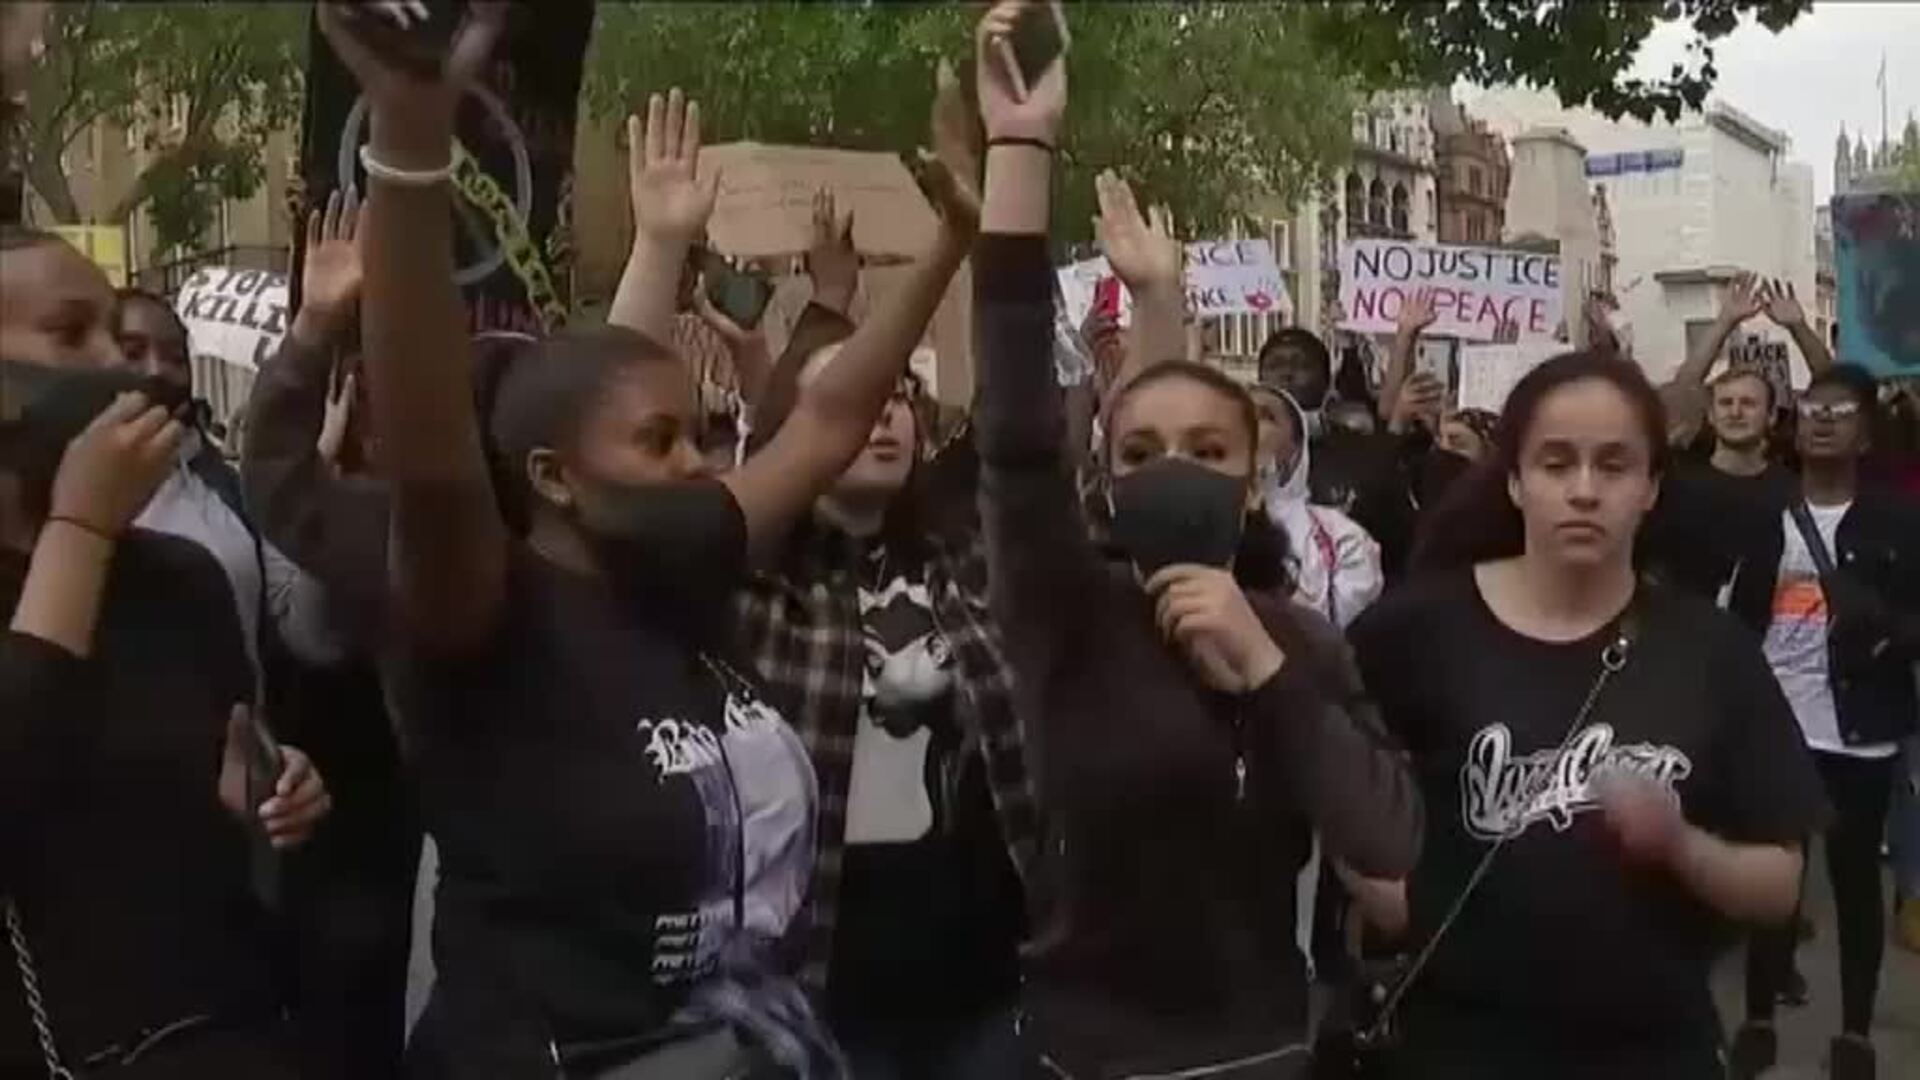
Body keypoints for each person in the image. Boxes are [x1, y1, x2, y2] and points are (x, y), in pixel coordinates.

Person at [322, 1, 968, 1072]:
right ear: (552, 480)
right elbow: (430, 442)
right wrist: (410, 141)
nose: (697, 463)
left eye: (700, 434)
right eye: (660, 443)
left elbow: (824, 420)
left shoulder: (684, 557)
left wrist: (953, 241)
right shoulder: (480, 601)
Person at [969, 5, 1419, 1075]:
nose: (1173, 468)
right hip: (1085, 1052)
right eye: (1142, 451)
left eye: (1207, 449)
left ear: (1254, 475)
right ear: (1106, 476)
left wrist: (1265, 669)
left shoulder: (1301, 640)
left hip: (1255, 1051)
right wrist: (1020, 152)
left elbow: (1389, 850)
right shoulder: (1069, 616)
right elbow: (1016, 421)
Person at [1345, 350, 1826, 1078]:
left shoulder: (1710, 650)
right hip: (1454, 1043)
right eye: (1556, 463)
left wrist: (1683, 847)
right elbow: (1327, 765)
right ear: (1515, 480)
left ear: (1651, 487)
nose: (1584, 490)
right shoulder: (1417, 629)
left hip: (1652, 1047)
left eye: (1614, 465)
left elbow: (1779, 885)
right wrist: (1387, 895)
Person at [724, 63, 1033, 1080]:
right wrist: (830, 302)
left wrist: (991, 225)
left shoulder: (960, 560)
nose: (885, 412)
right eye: (861, 399)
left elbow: (1024, 421)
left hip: (980, 979)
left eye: (901, 394)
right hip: (815, 980)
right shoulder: (753, 582)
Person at [1, 371, 328, 1078]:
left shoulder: (180, 574)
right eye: (70, 334)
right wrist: (77, 531)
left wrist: (269, 789)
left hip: (222, 1026)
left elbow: (230, 762)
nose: (124, 368)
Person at [1725, 365, 1920, 1080]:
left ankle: (1855, 1033)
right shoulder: (1761, 513)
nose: (1824, 421)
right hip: (1773, 724)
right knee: (1774, 878)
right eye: (1812, 408)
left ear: (1866, 433)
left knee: (1854, 882)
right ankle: (1757, 1018)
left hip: (1859, 727)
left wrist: (1887, 635)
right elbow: (1732, 611)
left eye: (1840, 411)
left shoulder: (1898, 521)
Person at [1641, 273, 1805, 600]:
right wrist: (1725, 321)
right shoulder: (1678, 481)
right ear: (1711, 415)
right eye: (1726, 403)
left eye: (1748, 403)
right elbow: (1682, 389)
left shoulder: (1792, 492)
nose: (1736, 411)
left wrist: (1797, 327)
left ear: (1771, 416)